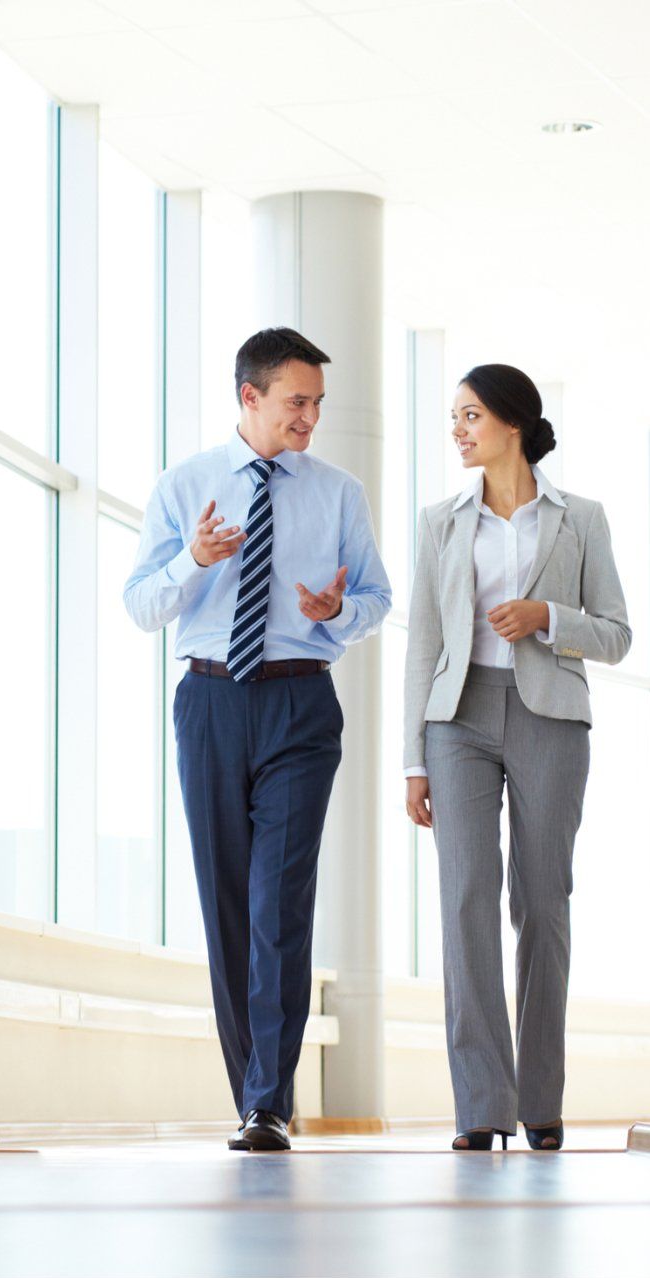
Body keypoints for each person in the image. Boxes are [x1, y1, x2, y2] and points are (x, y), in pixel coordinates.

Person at [123, 327, 392, 1152]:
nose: (309, 417)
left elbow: (376, 599)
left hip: (301, 704)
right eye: (295, 401)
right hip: (209, 702)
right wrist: (192, 563)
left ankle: (269, 1101)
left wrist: (334, 614)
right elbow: (140, 603)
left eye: (316, 403)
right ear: (250, 397)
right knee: (227, 902)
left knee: (281, 902)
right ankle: (252, 1093)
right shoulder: (186, 485)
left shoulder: (339, 493)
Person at [401, 363, 632, 1153]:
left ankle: (540, 1100)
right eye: (454, 416)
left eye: (470, 415)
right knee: (466, 899)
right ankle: (481, 1105)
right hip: (456, 721)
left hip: (550, 719)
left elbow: (617, 633)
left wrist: (547, 616)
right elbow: (422, 647)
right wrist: (412, 761)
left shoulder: (581, 519)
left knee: (542, 904)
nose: (458, 430)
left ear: (512, 423)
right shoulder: (439, 521)